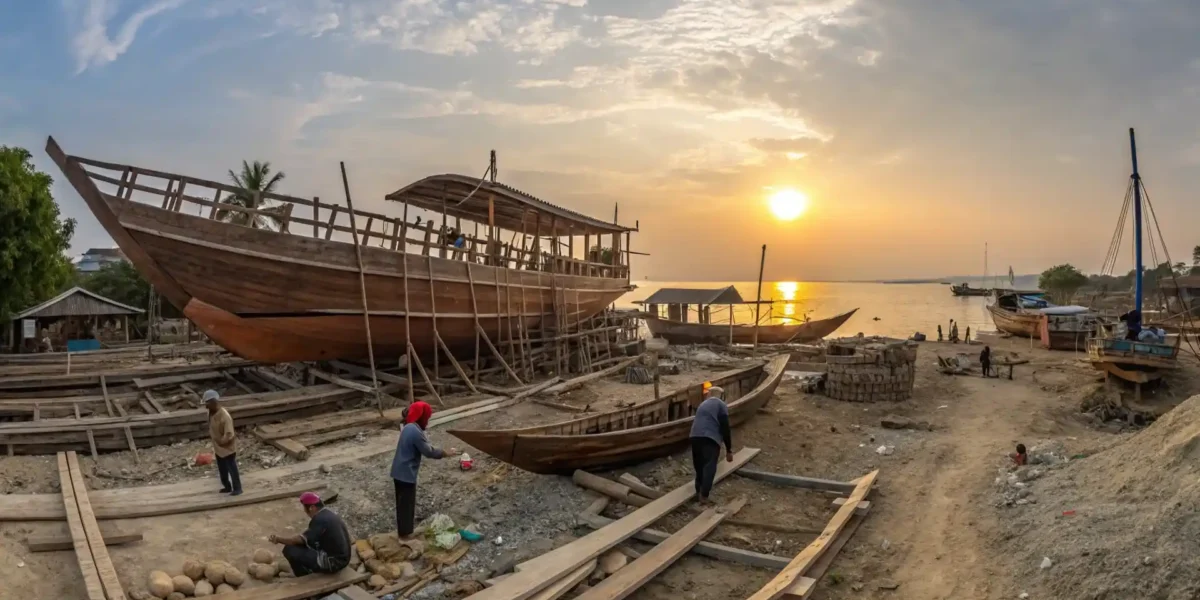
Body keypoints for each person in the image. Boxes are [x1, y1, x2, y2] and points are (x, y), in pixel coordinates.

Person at [390, 401, 457, 537]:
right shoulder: (415, 431)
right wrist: (445, 453)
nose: (427, 421)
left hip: (398, 471)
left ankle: (403, 532)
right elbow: (429, 452)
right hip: (406, 474)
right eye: (427, 417)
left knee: (402, 504)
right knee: (407, 505)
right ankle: (405, 536)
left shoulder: (408, 426)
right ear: (422, 416)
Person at [269, 492, 352, 576]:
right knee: (308, 544)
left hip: (335, 562)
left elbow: (299, 540)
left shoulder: (320, 519)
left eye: (304, 508)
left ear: (312, 508)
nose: (304, 511)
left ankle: (303, 575)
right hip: (343, 559)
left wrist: (278, 539)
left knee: (290, 549)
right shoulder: (328, 514)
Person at [689, 382, 733, 505]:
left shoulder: (702, 405)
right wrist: (729, 449)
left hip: (694, 436)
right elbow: (725, 427)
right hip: (710, 438)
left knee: (699, 466)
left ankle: (698, 492)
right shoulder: (721, 405)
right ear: (722, 396)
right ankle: (704, 496)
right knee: (709, 466)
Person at [205, 390, 241, 496]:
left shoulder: (225, 416)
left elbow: (229, 434)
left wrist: (222, 442)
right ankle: (227, 486)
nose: (206, 406)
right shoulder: (211, 413)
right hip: (218, 447)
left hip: (227, 447)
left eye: (207, 403)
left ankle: (237, 488)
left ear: (214, 402)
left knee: (232, 468)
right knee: (222, 469)